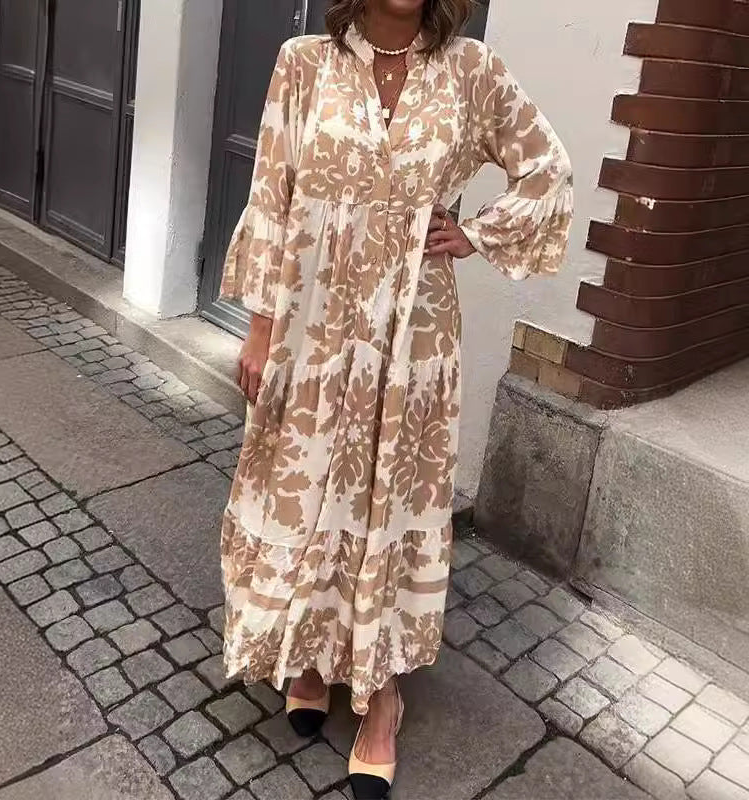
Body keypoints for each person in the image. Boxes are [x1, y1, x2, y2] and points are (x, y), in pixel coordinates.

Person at [218, 0, 572, 796]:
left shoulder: (470, 70)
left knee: (391, 500)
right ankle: (311, 655)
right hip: (313, 326)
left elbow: (547, 168)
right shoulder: (303, 63)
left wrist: (476, 232)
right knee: (306, 487)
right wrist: (262, 327)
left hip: (413, 334)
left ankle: (382, 697)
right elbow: (272, 196)